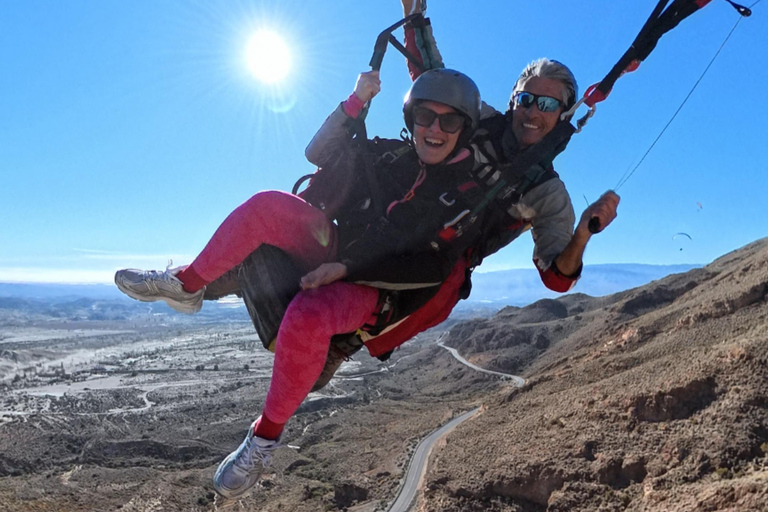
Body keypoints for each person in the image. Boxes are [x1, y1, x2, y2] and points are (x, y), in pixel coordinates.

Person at [116, 68, 498, 499]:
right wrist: (355, 102)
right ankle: (186, 285)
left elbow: (429, 268)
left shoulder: (465, 195)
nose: (434, 129)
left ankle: (262, 440)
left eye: (449, 122)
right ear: (411, 118)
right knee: (266, 206)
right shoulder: (392, 154)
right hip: (337, 248)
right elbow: (318, 151)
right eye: (426, 116)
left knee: (309, 314)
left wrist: (348, 269)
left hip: (377, 288)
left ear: (464, 129)